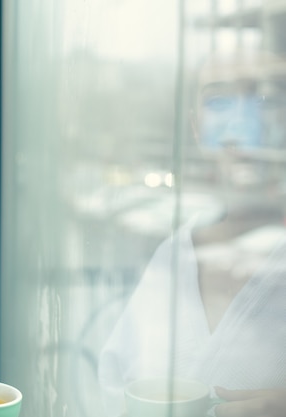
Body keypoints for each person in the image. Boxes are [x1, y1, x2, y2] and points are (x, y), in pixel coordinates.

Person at [97, 50, 286, 417]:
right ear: (197, 129)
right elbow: (114, 387)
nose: (242, 123)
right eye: (219, 100)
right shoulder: (173, 257)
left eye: (267, 99)